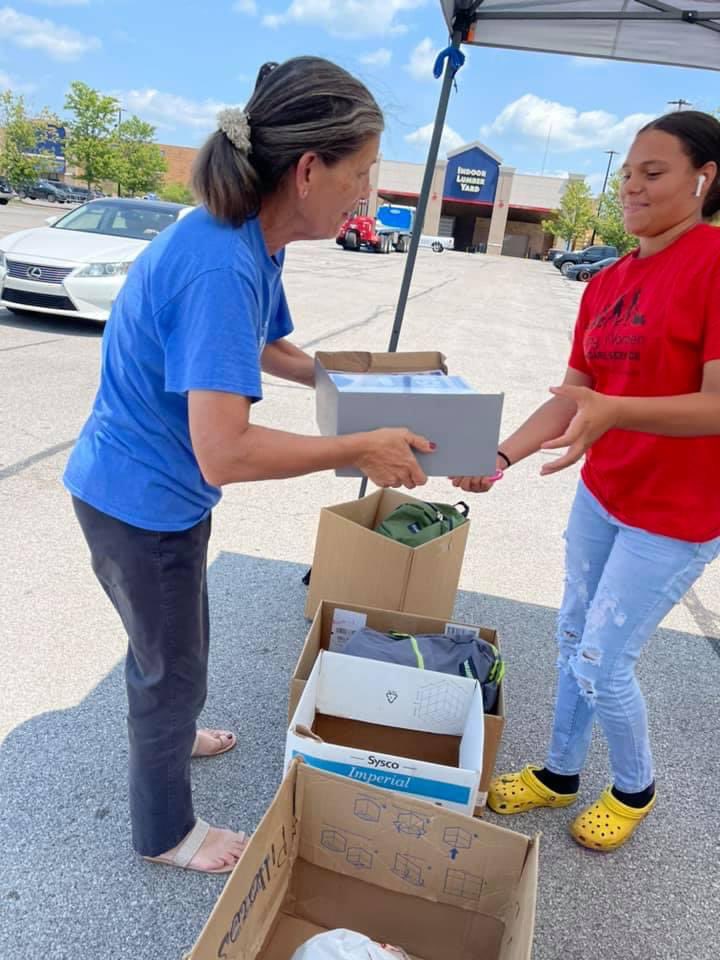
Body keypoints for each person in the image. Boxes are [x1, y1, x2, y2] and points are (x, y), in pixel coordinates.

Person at [63, 56, 433, 875]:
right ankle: (165, 832)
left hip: (155, 489)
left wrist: (335, 375)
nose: (367, 193)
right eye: (362, 172)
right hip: (139, 498)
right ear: (308, 170)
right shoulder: (221, 263)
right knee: (171, 661)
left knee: (175, 640)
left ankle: (174, 723)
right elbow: (224, 451)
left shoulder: (251, 242)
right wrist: (356, 447)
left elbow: (259, 346)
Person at [453, 109, 720, 851]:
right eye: (628, 171)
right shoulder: (604, 284)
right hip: (605, 495)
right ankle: (560, 773)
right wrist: (501, 455)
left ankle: (635, 789)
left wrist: (614, 410)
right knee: (571, 637)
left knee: (605, 662)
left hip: (677, 514)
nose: (632, 185)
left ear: (705, 179)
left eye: (653, 172)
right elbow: (575, 397)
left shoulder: (715, 263)